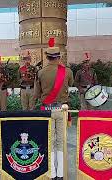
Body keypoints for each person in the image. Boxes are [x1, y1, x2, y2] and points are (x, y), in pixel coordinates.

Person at [34, 38, 74, 180]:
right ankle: (61, 174)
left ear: (46, 57)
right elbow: (71, 83)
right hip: (62, 110)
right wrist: (61, 67)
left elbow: (36, 94)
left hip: (47, 110)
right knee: (61, 141)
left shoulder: (40, 72)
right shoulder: (67, 71)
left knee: (49, 141)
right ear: (59, 57)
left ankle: (51, 173)